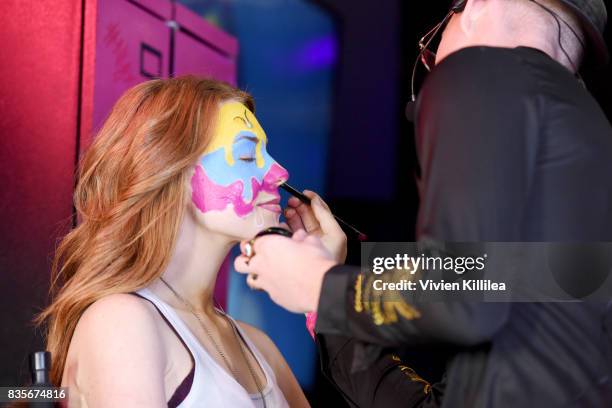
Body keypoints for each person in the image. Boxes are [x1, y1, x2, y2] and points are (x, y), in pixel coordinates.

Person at [235, 0, 612, 406]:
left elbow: (463, 296)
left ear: (477, 8)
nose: (434, 66)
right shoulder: (587, 144)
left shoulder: (482, 73)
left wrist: (318, 284)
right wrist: (331, 279)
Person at [34, 76, 309, 407]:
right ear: (170, 170)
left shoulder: (260, 346)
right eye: (249, 156)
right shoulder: (122, 322)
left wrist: (321, 295)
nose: (279, 172)